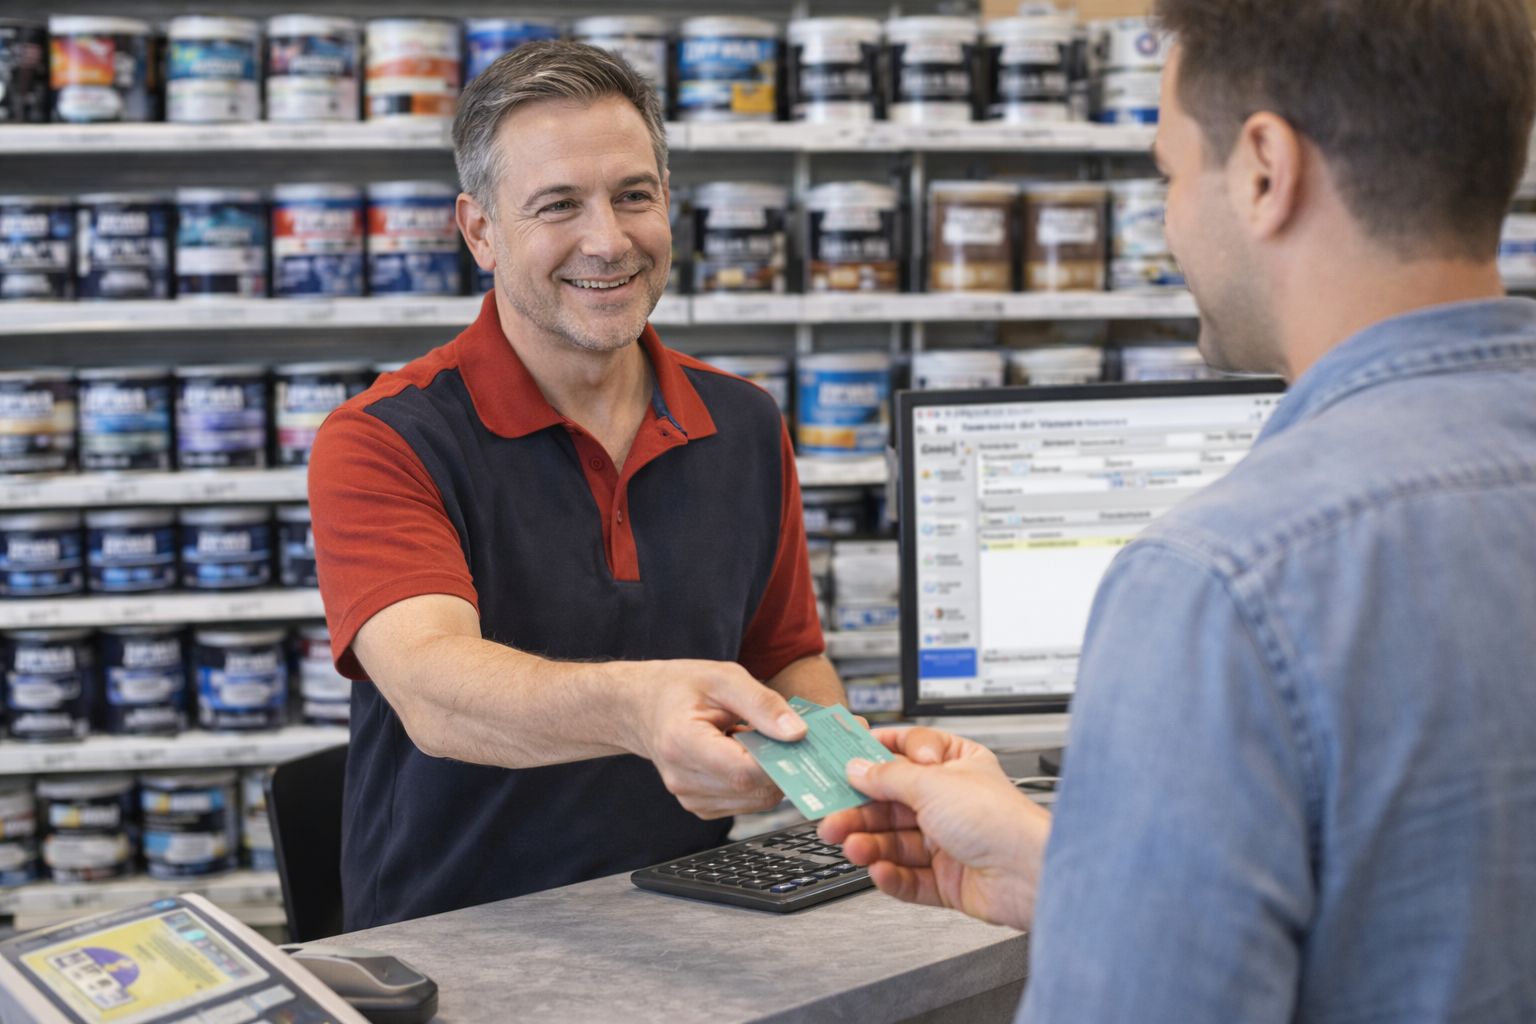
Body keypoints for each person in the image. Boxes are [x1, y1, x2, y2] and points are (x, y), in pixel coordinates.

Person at [821, 1, 1536, 1019]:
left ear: (1262, 170)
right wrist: (1081, 871)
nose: (1168, 226)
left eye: (1167, 174)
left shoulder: (1221, 579)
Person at [309, 42, 846, 930]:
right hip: (455, 945)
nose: (609, 240)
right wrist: (639, 708)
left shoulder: (743, 422)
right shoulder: (383, 438)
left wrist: (834, 766)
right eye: (558, 206)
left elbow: (787, 659)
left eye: (634, 196)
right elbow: (435, 690)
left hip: (703, 920)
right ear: (479, 231)